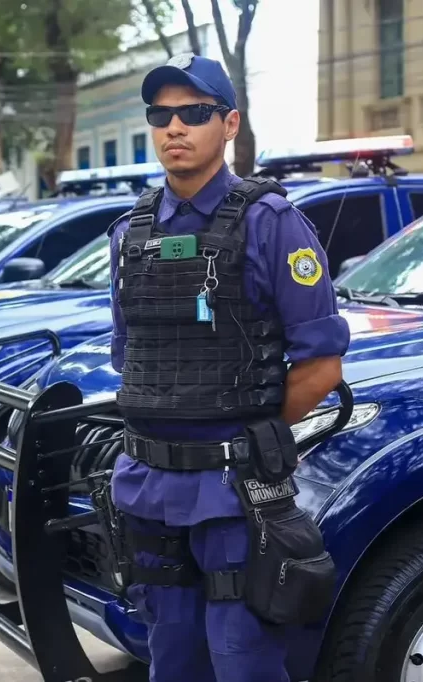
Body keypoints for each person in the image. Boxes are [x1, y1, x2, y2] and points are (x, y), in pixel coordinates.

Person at [107, 55, 351, 682]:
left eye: (194, 112)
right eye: (160, 115)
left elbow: (321, 366)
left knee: (243, 664)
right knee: (171, 661)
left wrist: (253, 432)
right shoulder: (129, 233)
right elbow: (127, 355)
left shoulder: (273, 225)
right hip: (149, 489)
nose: (175, 127)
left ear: (230, 123)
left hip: (234, 494)